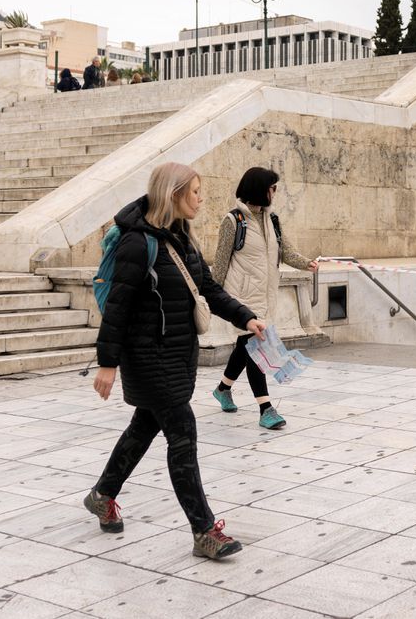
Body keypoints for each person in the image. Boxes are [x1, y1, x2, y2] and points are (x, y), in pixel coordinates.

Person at [87, 162, 265, 560]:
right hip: (149, 358)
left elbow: (209, 288)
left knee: (144, 427)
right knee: (182, 433)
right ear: (173, 194)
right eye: (195, 192)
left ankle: (103, 495)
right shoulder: (139, 243)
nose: (201, 199)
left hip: (176, 355)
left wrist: (245, 316)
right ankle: (204, 531)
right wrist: (107, 363)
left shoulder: (181, 239)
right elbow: (117, 307)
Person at [211, 167, 319, 429]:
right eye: (272, 187)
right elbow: (220, 263)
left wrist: (307, 264)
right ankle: (265, 408)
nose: (275, 192)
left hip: (266, 297)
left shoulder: (273, 220)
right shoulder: (234, 221)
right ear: (260, 189)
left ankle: (223, 389)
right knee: (255, 349)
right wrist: (215, 299)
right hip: (242, 299)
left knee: (244, 347)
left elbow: (287, 252)